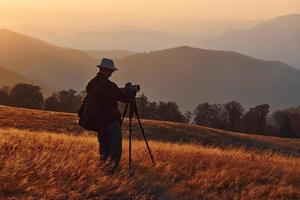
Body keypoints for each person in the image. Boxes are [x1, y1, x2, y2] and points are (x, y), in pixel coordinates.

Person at [85, 58, 130, 174]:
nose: (111, 73)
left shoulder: (91, 83)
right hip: (111, 122)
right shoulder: (110, 85)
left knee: (103, 149)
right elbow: (125, 99)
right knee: (115, 151)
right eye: (110, 70)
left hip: (99, 122)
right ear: (106, 70)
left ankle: (101, 172)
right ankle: (110, 174)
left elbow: (104, 94)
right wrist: (130, 93)